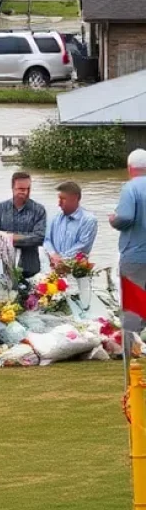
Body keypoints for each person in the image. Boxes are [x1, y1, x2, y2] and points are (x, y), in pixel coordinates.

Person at [111, 149, 146, 358]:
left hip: (135, 256)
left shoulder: (130, 188)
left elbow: (125, 217)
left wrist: (113, 219)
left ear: (130, 168)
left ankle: (129, 353)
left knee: (133, 306)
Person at [0, 172, 47, 279]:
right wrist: (26, 238)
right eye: (21, 189)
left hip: (31, 270)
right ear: (12, 188)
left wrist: (9, 237)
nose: (25, 192)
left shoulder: (39, 210)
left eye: (28, 189)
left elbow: (40, 238)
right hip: (4, 270)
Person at [44, 181, 98, 266]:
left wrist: (61, 260)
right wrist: (52, 254)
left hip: (76, 270)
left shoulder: (89, 220)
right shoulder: (55, 217)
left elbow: (83, 246)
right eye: (59, 199)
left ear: (75, 198)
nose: (59, 204)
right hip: (53, 267)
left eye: (63, 199)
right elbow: (46, 239)